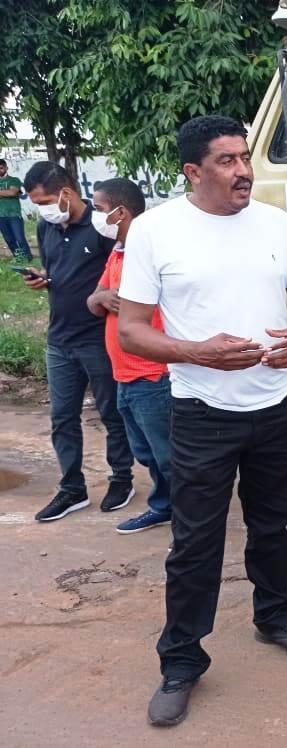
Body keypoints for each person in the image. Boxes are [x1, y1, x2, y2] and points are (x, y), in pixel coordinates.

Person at [117, 115, 287, 727]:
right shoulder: (157, 231)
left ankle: (274, 616)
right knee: (195, 542)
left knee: (272, 525)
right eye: (228, 161)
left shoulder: (275, 223)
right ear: (193, 171)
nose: (244, 171)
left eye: (245, 157)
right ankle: (181, 659)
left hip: (276, 404)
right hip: (203, 410)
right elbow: (132, 330)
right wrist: (196, 351)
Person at [24, 161, 135, 522]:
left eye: (43, 201)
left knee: (112, 414)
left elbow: (118, 278)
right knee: (62, 418)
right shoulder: (47, 226)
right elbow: (58, 271)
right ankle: (72, 489)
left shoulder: (103, 227)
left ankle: (123, 478)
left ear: (66, 193)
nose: (39, 210)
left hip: (97, 339)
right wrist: (45, 279)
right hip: (59, 339)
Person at [85, 178, 173, 535]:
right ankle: (166, 507)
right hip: (124, 374)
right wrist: (103, 298)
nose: (96, 215)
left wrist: (106, 298)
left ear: (120, 212)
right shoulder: (119, 250)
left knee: (170, 457)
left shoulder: (151, 251)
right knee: (148, 454)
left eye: (100, 209)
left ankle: (191, 526)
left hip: (153, 374)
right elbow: (94, 300)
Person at [0, 159, 32, 261]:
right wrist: (6, 192)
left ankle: (28, 258)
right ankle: (19, 258)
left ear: (6, 168)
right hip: (1, 216)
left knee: (20, 238)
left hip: (14, 215)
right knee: (9, 240)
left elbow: (12, 193)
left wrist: (9, 192)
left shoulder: (14, 180)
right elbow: (9, 192)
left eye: (1, 168)